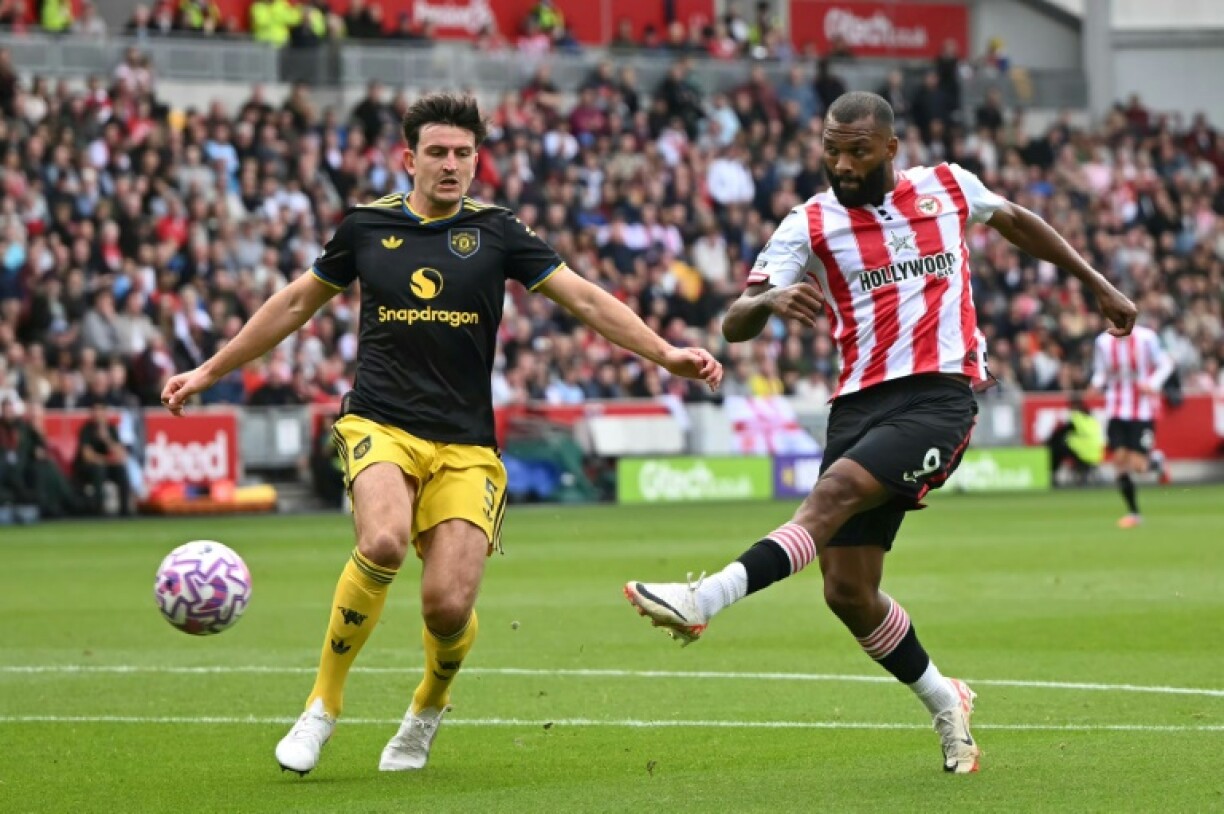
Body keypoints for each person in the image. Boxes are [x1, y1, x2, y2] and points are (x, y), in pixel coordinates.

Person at [161, 93, 723, 776]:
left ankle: (426, 709)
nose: (451, 164)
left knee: (449, 606)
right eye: (437, 152)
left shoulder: (500, 231)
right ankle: (321, 708)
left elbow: (585, 298)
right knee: (384, 539)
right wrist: (209, 370)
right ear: (409, 159)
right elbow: (293, 303)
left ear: (477, 160)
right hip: (379, 422)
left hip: (466, 445)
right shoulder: (365, 228)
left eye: (462, 153)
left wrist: (665, 353)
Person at [623, 92, 1136, 775]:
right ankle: (946, 701)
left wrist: (1096, 282)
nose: (841, 164)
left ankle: (703, 598)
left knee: (832, 494)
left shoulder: (948, 186)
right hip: (857, 406)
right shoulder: (809, 223)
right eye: (831, 151)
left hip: (939, 397)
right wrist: (769, 300)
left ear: (891, 149)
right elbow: (734, 321)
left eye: (857, 152)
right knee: (847, 592)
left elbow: (1015, 219)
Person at [1090, 318, 1173, 527]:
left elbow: (1166, 364)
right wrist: (1095, 384)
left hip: (1142, 411)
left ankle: (1156, 462)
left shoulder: (1147, 338)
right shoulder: (1102, 342)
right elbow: (1100, 371)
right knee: (1119, 460)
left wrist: (1152, 384)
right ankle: (1134, 513)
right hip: (1116, 409)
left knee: (1138, 466)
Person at [74, 402, 132, 516]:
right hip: (89, 469)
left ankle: (125, 510)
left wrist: (106, 439)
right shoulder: (86, 430)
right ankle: (98, 509)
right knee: (99, 469)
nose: (98, 414)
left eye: (100, 411)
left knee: (121, 469)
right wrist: (106, 461)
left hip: (107, 465)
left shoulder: (112, 429)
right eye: (95, 411)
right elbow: (87, 456)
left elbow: (121, 456)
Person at [1046, 392, 1105, 485]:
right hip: (1096, 453)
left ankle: (1053, 475)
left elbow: (1061, 433)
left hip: (1083, 453)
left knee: (1056, 449)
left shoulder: (1076, 418)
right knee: (1062, 445)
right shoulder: (1091, 418)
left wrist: (1048, 442)